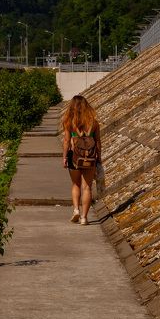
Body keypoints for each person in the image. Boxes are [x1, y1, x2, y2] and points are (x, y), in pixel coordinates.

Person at [61, 94, 100, 225]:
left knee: (75, 184)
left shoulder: (68, 122)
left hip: (74, 157)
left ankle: (76, 210)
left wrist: (64, 157)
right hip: (90, 157)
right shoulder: (94, 123)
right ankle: (84, 217)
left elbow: (66, 141)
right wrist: (99, 158)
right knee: (87, 187)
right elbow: (98, 142)